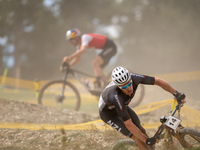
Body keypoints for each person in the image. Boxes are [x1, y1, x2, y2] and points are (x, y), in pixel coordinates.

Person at [98, 66, 186, 150]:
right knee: (138, 138)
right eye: (124, 86)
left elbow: (158, 81)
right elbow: (128, 124)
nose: (128, 88)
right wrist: (146, 140)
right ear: (118, 86)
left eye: (129, 83)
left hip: (122, 107)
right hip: (108, 114)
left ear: (130, 79)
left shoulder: (135, 78)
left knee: (141, 130)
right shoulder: (115, 96)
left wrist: (176, 93)